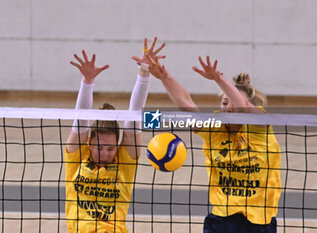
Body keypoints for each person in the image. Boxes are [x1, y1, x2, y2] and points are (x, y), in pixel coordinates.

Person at [147, 55, 281, 233]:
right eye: (224, 102)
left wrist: (218, 78)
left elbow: (243, 107)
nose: (229, 107)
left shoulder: (260, 130)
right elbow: (187, 103)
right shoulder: (214, 129)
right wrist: (164, 77)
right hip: (221, 219)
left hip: (259, 221)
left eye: (233, 102)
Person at [65, 38, 165, 233]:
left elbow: (135, 113)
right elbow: (81, 119)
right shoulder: (77, 158)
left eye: (111, 148)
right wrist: (87, 82)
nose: (105, 154)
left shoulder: (124, 163)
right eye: (99, 147)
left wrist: (144, 71)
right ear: (89, 142)